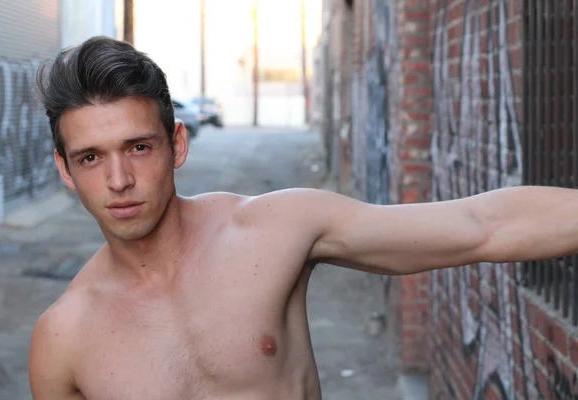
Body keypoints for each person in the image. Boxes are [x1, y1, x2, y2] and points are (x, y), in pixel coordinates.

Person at [28, 35, 578, 400]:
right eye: (92, 158)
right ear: (65, 169)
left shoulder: (271, 232)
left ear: (177, 144)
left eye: (139, 148)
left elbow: (484, 224)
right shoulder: (63, 338)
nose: (119, 180)